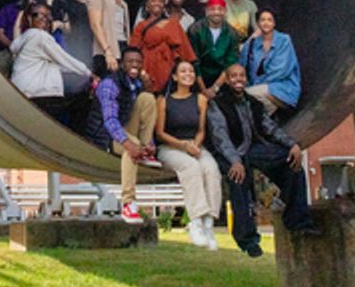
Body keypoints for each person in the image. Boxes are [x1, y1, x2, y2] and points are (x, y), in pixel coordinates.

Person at [207, 63, 318, 256]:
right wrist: (235, 161)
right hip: (228, 153)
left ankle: (297, 220)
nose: (238, 79)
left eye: (241, 76)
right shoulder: (217, 104)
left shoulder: (253, 103)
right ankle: (247, 239)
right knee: (238, 177)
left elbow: (270, 128)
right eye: (233, 76)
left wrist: (292, 144)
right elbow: (220, 137)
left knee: (291, 161)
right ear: (227, 78)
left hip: (251, 148)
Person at [82, 47, 161, 225]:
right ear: (121, 64)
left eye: (138, 62)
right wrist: (128, 143)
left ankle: (146, 150)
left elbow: (137, 113)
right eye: (130, 61)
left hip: (124, 127)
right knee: (131, 147)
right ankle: (128, 203)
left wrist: (149, 143)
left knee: (147, 99)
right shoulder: (109, 84)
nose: (134, 65)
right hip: (103, 134)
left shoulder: (136, 83)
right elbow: (109, 120)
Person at [154, 60, 223, 249]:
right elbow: (160, 132)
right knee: (191, 167)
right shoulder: (163, 100)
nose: (188, 74)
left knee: (210, 168)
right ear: (175, 77)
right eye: (183, 71)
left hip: (194, 145)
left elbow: (201, 129)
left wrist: (195, 145)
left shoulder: (200, 98)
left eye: (191, 71)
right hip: (170, 148)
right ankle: (195, 222)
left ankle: (209, 223)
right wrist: (183, 145)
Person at [10, 4, 93, 125]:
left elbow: (56, 65)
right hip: (40, 95)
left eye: (48, 15)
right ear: (29, 19)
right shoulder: (39, 36)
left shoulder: (25, 38)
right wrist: (89, 73)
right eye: (38, 14)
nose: (44, 18)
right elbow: (64, 59)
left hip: (25, 94)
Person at [238, 6, 301, 123]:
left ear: (274, 23)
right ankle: (268, 123)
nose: (266, 23)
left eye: (269, 20)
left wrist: (254, 86)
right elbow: (242, 62)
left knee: (245, 94)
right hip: (261, 91)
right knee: (252, 112)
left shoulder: (284, 40)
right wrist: (251, 38)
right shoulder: (255, 43)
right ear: (257, 23)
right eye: (262, 20)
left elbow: (280, 70)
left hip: (282, 89)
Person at [129, 0, 196, 92]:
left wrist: (183, 74)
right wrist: (141, 72)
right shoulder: (141, 26)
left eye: (160, 1)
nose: (157, 3)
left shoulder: (174, 24)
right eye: (153, 0)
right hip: (146, 71)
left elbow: (185, 52)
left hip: (169, 72)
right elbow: (133, 52)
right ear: (147, 5)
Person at [188, 0, 240, 96]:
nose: (216, 12)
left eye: (220, 9)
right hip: (198, 79)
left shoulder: (232, 33)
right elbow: (194, 61)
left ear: (225, 11)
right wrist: (203, 90)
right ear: (206, 11)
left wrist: (214, 88)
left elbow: (230, 63)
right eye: (212, 9)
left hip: (222, 81)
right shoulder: (195, 30)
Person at [87, 0, 131, 77]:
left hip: (122, 45)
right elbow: (95, 25)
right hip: (106, 49)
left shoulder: (122, 2)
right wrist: (107, 51)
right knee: (108, 88)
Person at [0, 0, 37, 73]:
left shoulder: (39, 10)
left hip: (33, 53)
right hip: (9, 49)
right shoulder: (8, 9)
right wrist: (13, 46)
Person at [60, 0, 96, 69]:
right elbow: (66, 30)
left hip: (98, 49)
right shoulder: (66, 4)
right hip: (76, 49)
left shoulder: (101, 2)